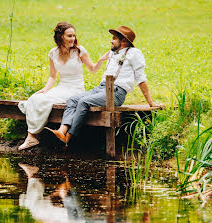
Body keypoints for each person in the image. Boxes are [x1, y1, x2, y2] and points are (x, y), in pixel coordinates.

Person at [45, 26, 162, 146]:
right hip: (101, 88)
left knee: (84, 102)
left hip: (116, 92)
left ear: (124, 42)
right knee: (72, 100)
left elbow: (141, 79)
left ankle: (68, 137)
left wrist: (150, 102)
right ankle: (61, 131)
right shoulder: (112, 52)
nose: (111, 41)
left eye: (114, 38)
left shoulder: (134, 53)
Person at [17, 22, 109, 150]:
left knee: (44, 101)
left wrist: (100, 60)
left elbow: (92, 69)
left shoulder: (79, 51)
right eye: (69, 36)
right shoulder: (53, 53)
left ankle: (32, 137)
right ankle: (32, 136)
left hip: (75, 89)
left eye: (73, 36)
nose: (72, 39)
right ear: (60, 37)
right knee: (35, 98)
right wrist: (45, 89)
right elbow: (52, 76)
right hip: (61, 87)